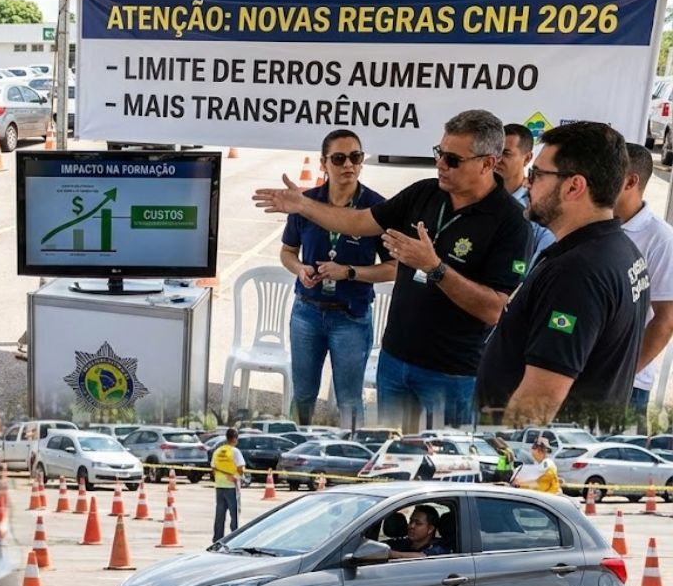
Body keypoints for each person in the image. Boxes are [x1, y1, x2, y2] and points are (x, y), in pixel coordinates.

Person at [254, 110, 529, 431]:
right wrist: (303, 205)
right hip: (395, 360)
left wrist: (434, 267)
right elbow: (357, 221)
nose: (441, 164)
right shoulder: (424, 193)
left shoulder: (511, 222)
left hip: (451, 374)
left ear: (487, 163)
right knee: (393, 459)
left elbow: (494, 308)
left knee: (445, 466)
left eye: (453, 160)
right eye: (440, 154)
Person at [475, 122, 651, 427]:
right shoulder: (620, 249)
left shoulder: (578, 272)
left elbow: (538, 401)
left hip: (534, 462)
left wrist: (501, 462)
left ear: (574, 186)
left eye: (538, 175)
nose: (529, 184)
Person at [280, 129, 394, 427]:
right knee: (303, 395)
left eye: (355, 157)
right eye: (339, 158)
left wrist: (350, 273)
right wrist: (299, 269)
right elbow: (287, 252)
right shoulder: (305, 203)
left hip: (351, 317)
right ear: (323, 163)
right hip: (307, 313)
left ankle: (350, 457)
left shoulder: (376, 208)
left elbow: (394, 267)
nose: (348, 165)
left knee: (349, 401)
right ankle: (295, 448)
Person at [615, 142, 673, 434]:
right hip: (579, 375)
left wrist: (626, 373)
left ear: (631, 181)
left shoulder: (661, 239)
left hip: (628, 387)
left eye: (609, 173)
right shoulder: (591, 225)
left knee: (610, 470)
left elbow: (666, 318)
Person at [498, 123, 555, 269]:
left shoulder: (539, 205)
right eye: (495, 152)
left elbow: (541, 263)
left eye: (506, 153)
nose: (497, 159)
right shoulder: (474, 198)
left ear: (528, 158)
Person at [210, 428, 245, 542]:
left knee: (219, 514)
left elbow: (213, 468)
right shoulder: (235, 451)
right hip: (231, 487)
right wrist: (236, 477)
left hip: (219, 486)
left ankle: (217, 538)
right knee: (234, 514)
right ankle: (235, 537)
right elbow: (240, 468)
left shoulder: (218, 451)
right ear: (235, 438)